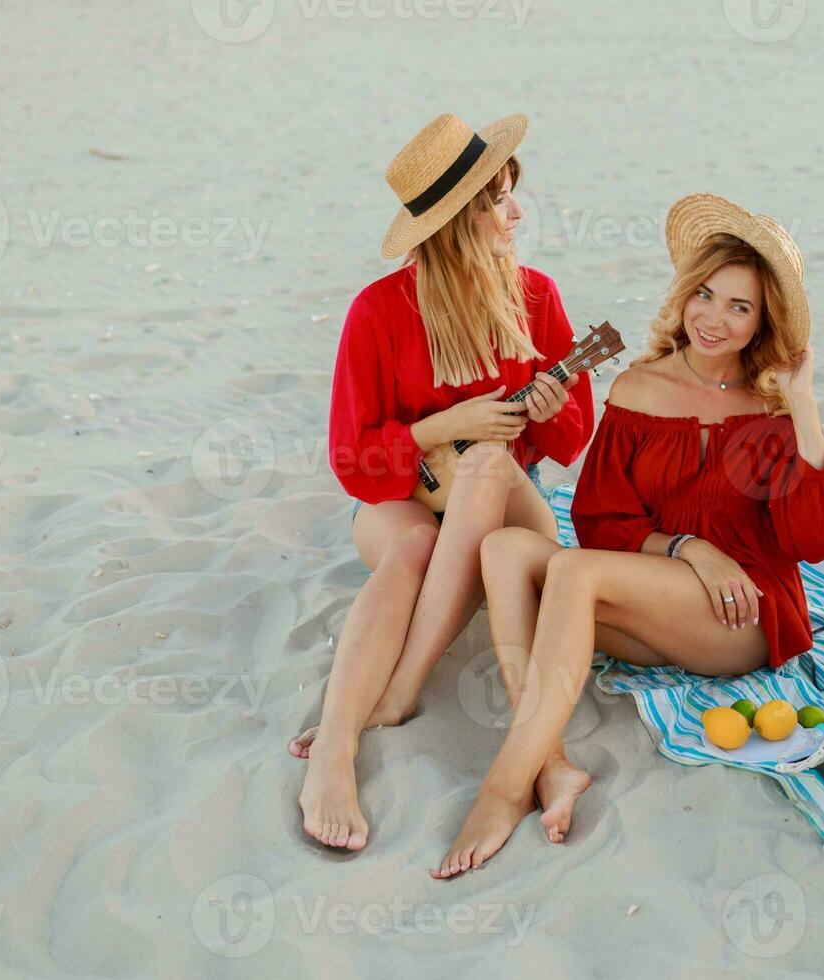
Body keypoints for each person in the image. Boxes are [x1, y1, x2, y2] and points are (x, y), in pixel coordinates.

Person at [431, 193, 824, 878]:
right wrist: (687, 546)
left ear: (762, 325)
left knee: (573, 575)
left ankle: (505, 785)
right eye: (706, 294)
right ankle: (551, 764)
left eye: (740, 307)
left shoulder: (772, 412)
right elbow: (601, 521)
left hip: (739, 615)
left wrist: (804, 407)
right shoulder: (635, 389)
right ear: (685, 295)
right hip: (660, 597)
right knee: (505, 548)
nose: (714, 319)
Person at [293, 113, 594, 852]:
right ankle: (335, 748)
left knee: (490, 463)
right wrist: (436, 426)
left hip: (506, 511)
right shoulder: (378, 313)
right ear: (460, 221)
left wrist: (549, 414)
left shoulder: (536, 297)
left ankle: (398, 692)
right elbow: (351, 460)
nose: (515, 212)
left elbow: (570, 438)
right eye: (497, 200)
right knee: (409, 548)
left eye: (510, 193)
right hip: (409, 499)